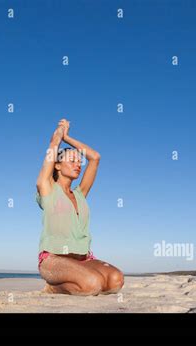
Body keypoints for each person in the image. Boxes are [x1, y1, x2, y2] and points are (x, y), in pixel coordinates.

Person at [35, 119, 124, 296]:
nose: (78, 165)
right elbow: (53, 145)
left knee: (116, 280)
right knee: (92, 285)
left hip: (83, 260)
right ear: (57, 165)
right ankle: (53, 287)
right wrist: (60, 133)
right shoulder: (47, 188)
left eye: (79, 162)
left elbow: (95, 157)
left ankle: (82, 279)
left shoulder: (80, 194)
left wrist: (68, 138)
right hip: (54, 260)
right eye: (72, 160)